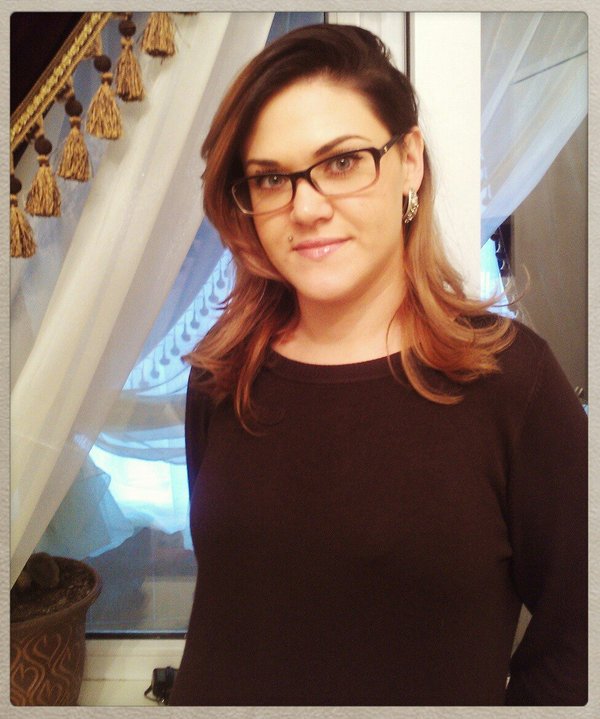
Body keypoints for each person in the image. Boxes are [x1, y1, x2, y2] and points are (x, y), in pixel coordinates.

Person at [168, 24, 587, 706]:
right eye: (271, 178)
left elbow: (581, 638)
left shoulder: (512, 384)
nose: (306, 208)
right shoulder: (222, 375)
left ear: (409, 162)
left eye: (341, 162)